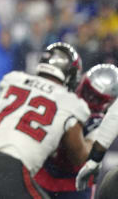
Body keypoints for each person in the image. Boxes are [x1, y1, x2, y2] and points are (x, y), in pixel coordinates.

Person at [0, 42, 92, 199]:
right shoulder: (71, 102)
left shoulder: (14, 80)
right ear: (71, 76)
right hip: (11, 170)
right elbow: (79, 158)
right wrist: (94, 138)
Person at [35, 64, 118, 199]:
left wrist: (71, 126)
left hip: (73, 184)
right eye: (86, 91)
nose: (87, 98)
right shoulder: (62, 98)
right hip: (44, 173)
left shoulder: (99, 123)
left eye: (94, 97)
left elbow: (82, 159)